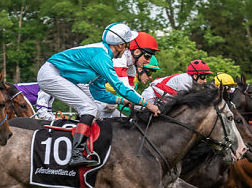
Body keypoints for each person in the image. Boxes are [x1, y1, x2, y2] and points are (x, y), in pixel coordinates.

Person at [37, 23, 160, 167]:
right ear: (120, 45)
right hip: (51, 74)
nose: (127, 48)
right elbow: (120, 87)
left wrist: (121, 101)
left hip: (54, 74)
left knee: (91, 108)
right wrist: (148, 104)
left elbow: (98, 92)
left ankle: (80, 150)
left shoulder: (105, 57)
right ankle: (76, 154)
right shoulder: (101, 56)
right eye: (126, 45)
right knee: (90, 109)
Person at [140, 59, 213, 104]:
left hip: (160, 97)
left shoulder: (190, 81)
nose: (205, 81)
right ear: (195, 76)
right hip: (151, 95)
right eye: (203, 77)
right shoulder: (185, 82)